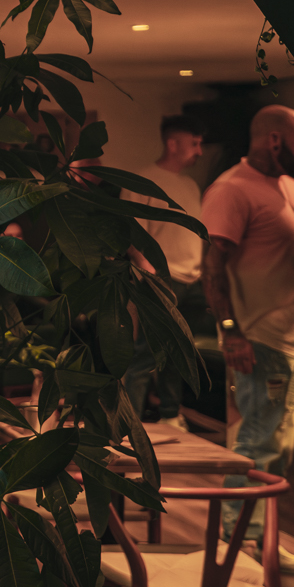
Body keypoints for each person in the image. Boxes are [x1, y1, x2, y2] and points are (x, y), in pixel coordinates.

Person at [201, 104, 294, 577]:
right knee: (258, 440)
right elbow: (212, 268)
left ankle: (259, 537)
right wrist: (232, 332)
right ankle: (240, 540)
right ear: (275, 140)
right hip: (260, 338)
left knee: (279, 443)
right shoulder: (232, 189)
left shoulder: (288, 184)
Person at [122, 115, 210, 428]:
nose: (199, 151)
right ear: (173, 144)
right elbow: (132, 234)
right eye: (194, 144)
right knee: (147, 354)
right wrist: (149, 276)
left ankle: (171, 416)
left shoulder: (190, 185)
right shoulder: (142, 181)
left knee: (180, 353)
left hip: (192, 280)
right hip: (160, 280)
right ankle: (130, 423)